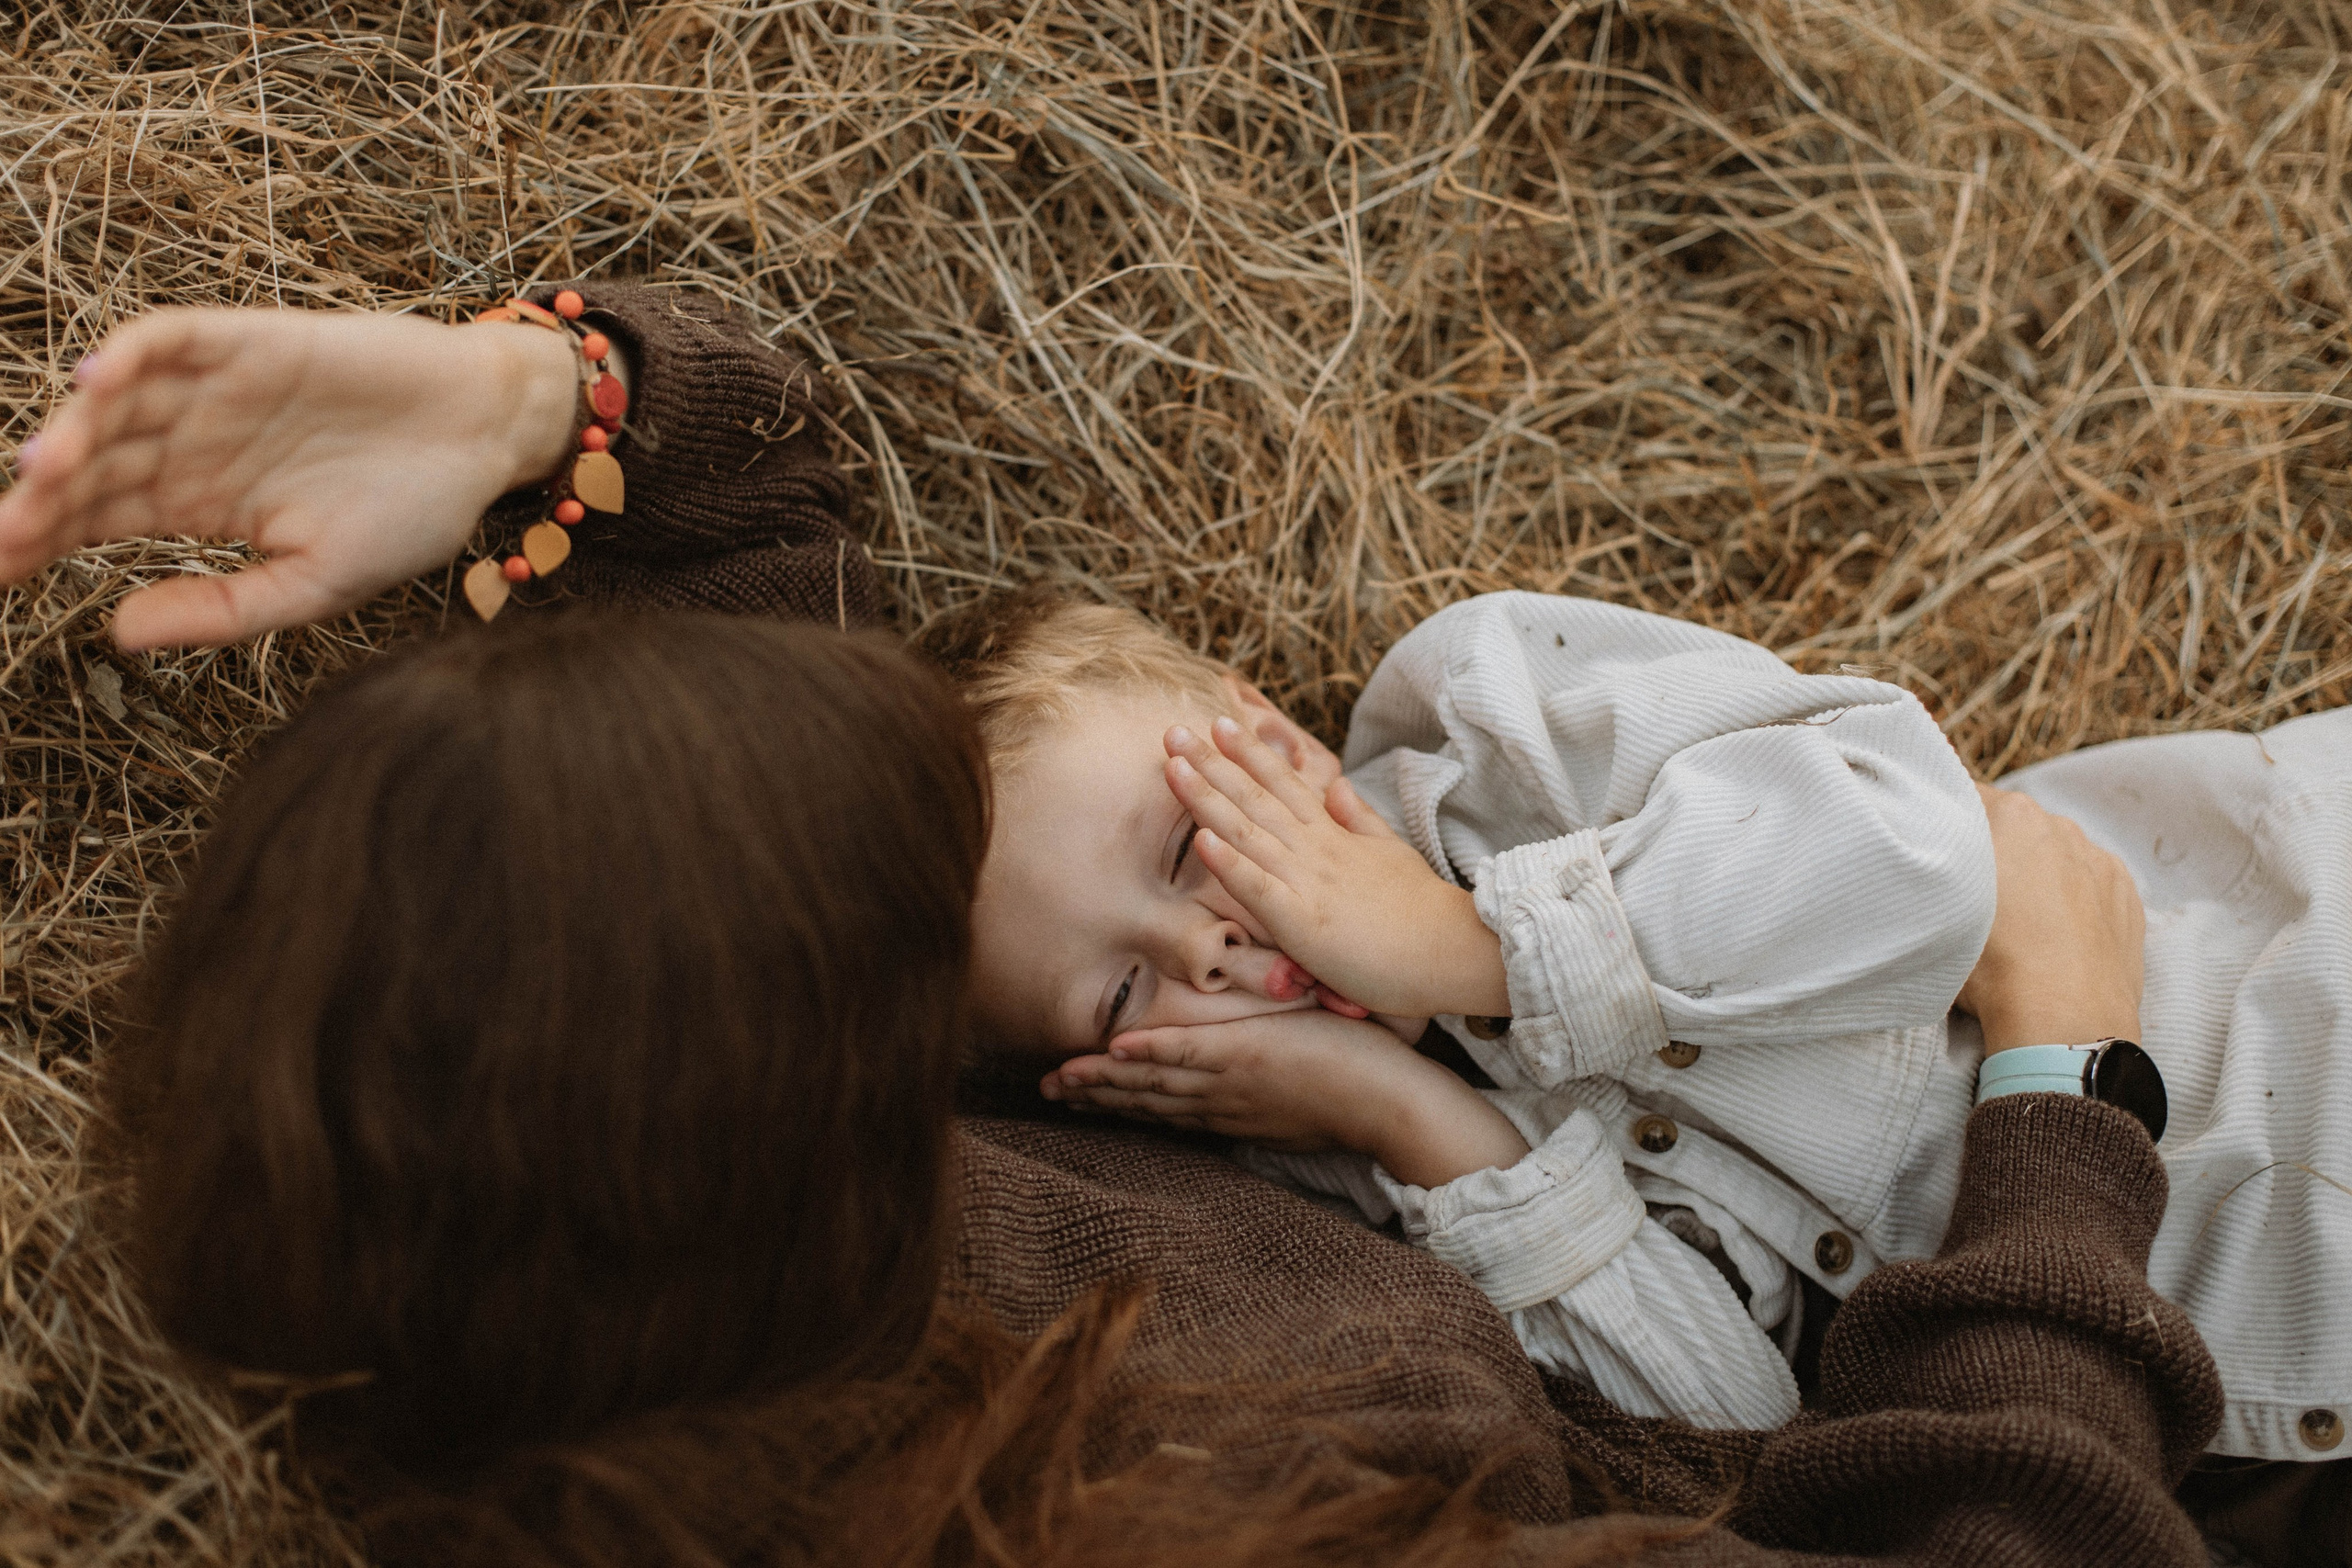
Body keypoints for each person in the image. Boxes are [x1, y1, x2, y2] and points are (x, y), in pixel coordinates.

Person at [0, 288, 2239, 1564]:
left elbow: (916, 752)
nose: (1221, 953)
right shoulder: (1195, 1467)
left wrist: (543, 407)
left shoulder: (795, 1158)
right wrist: (2066, 1100)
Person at [939, 587, 2348, 1470]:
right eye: (1124, 992)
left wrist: (1463, 946)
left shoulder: (1500, 726)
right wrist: (1435, 1131)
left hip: (2281, 1018)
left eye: (1192, 843)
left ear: (1264, 730)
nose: (1210, 948)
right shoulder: (1359, 1212)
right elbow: (1741, 1435)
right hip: (2206, 1393)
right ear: (1094, 1085)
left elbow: (1927, 851)